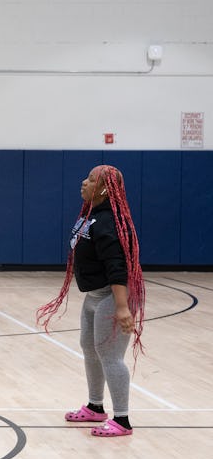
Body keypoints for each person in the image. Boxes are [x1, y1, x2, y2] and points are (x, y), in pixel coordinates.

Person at [37, 164, 145, 438]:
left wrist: (122, 307)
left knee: (110, 355)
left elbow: (117, 266)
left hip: (113, 295)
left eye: (90, 179)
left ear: (105, 189)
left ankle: (122, 419)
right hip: (94, 295)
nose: (83, 183)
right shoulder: (92, 215)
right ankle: (96, 406)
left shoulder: (110, 222)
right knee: (89, 348)